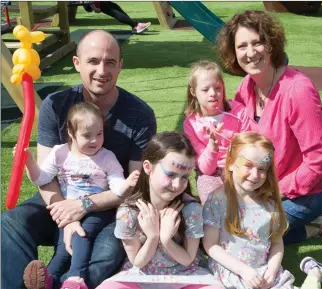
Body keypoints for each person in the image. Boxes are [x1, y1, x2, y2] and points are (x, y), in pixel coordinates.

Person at [1, 30, 157, 289]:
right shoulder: (56, 104)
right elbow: (45, 176)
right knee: (11, 224)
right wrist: (69, 216)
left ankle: (62, 284)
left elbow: (134, 187)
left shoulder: (139, 114)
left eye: (110, 62)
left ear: (120, 66)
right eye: (93, 61)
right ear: (77, 64)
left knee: (105, 256)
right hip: (58, 198)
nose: (101, 70)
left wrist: (84, 205)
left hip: (109, 204)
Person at [216, 10, 322, 244]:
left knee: (245, 238)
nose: (250, 53)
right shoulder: (247, 87)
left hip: (303, 194)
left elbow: (318, 162)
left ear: (271, 44)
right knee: (217, 223)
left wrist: (269, 192)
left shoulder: (298, 91)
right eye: (242, 46)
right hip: (260, 183)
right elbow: (239, 138)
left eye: (257, 42)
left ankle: (313, 227)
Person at [14, 102, 140, 289]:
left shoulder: (107, 157)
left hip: (97, 209)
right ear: (71, 134)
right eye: (87, 135)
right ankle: (49, 279)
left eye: (99, 134)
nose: (95, 141)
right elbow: (42, 178)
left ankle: (76, 278)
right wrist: (29, 162)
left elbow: (116, 187)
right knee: (63, 247)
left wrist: (127, 184)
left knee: (82, 232)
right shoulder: (60, 153)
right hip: (67, 208)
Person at [202, 131, 322, 289]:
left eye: (262, 169)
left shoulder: (269, 206)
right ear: (230, 163)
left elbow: (277, 243)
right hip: (230, 273)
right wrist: (244, 271)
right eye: (248, 165)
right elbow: (210, 245)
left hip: (264, 274)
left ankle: (315, 273)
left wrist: (271, 270)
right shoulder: (217, 201)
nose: (255, 175)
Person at [97, 131, 224, 289]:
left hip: (187, 276)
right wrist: (153, 236)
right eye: (170, 175)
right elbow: (138, 261)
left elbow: (188, 259)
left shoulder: (191, 209)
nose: (177, 185)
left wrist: (166, 239)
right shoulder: (128, 212)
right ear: (148, 167)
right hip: (141, 277)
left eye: (184, 177)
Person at [183, 60, 250, 204]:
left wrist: (240, 146)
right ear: (193, 91)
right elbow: (206, 169)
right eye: (205, 89)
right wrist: (212, 147)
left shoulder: (239, 112)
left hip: (238, 167)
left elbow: (250, 150)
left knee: (245, 199)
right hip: (210, 173)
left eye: (218, 88)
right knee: (213, 204)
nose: (213, 93)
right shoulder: (191, 124)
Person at [83, 1, 151, 34]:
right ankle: (136, 25)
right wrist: (94, 7)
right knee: (114, 12)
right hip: (96, 3)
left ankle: (134, 26)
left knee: (115, 7)